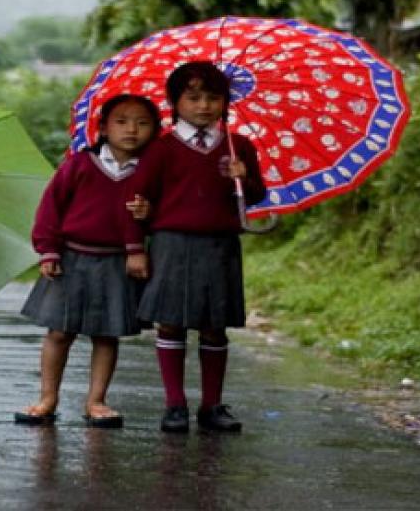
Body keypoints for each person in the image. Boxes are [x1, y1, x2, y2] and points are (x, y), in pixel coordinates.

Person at [120, 61, 267, 433]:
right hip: (171, 243)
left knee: (215, 326)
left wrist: (243, 178)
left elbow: (256, 196)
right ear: (175, 102)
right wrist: (135, 247)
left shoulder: (240, 147)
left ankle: (212, 405)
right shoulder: (160, 148)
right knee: (171, 324)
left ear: (225, 102)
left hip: (220, 245)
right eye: (193, 98)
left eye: (213, 98)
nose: (204, 106)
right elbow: (136, 198)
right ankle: (175, 405)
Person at [15, 94, 160, 428]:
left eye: (142, 123)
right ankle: (48, 397)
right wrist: (48, 250)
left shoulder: (151, 174)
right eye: (121, 121)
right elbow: (50, 208)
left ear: (155, 130)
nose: (132, 130)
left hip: (117, 263)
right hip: (71, 257)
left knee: (106, 334)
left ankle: (96, 400)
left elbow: (165, 217)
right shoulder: (79, 165)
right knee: (59, 332)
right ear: (103, 128)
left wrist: (149, 214)